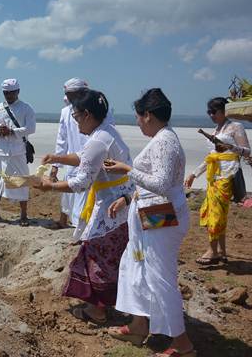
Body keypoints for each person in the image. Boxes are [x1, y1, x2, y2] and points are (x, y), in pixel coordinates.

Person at [105, 88, 195, 357]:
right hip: (155, 215)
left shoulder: (165, 141)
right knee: (135, 265)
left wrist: (127, 170)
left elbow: (163, 184)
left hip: (163, 218)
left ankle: (182, 344)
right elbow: (154, 185)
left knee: (160, 278)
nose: (137, 122)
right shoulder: (161, 138)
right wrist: (129, 200)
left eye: (138, 116)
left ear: (148, 115)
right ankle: (138, 324)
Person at [35, 89, 133, 324]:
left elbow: (81, 182)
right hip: (118, 203)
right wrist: (57, 158)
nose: (76, 121)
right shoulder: (106, 133)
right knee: (107, 255)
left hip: (111, 207)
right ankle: (111, 305)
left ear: (87, 115)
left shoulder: (99, 140)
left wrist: (51, 186)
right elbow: (83, 156)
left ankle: (97, 310)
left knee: (97, 256)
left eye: (77, 116)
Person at [184, 97, 250, 264]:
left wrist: (230, 147)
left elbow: (247, 151)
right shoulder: (215, 131)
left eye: (214, 111)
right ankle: (221, 251)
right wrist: (194, 174)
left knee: (216, 214)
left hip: (228, 175)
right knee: (215, 213)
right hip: (213, 176)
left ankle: (212, 251)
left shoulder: (236, 127)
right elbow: (211, 157)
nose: (211, 115)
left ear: (224, 111)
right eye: (209, 112)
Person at [0, 78, 36, 226]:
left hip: (18, 152)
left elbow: (31, 128)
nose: (9, 95)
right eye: (6, 93)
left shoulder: (27, 108)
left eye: (12, 93)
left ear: (18, 92)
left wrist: (12, 131)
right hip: (0, 152)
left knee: (22, 181)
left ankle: (24, 215)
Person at [49, 78, 90, 229]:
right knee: (68, 194)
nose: (69, 98)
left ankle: (82, 229)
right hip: (71, 160)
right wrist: (55, 167)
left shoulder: (96, 110)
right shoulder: (66, 112)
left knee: (86, 197)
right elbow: (62, 140)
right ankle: (62, 221)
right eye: (67, 95)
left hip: (90, 160)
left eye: (72, 95)